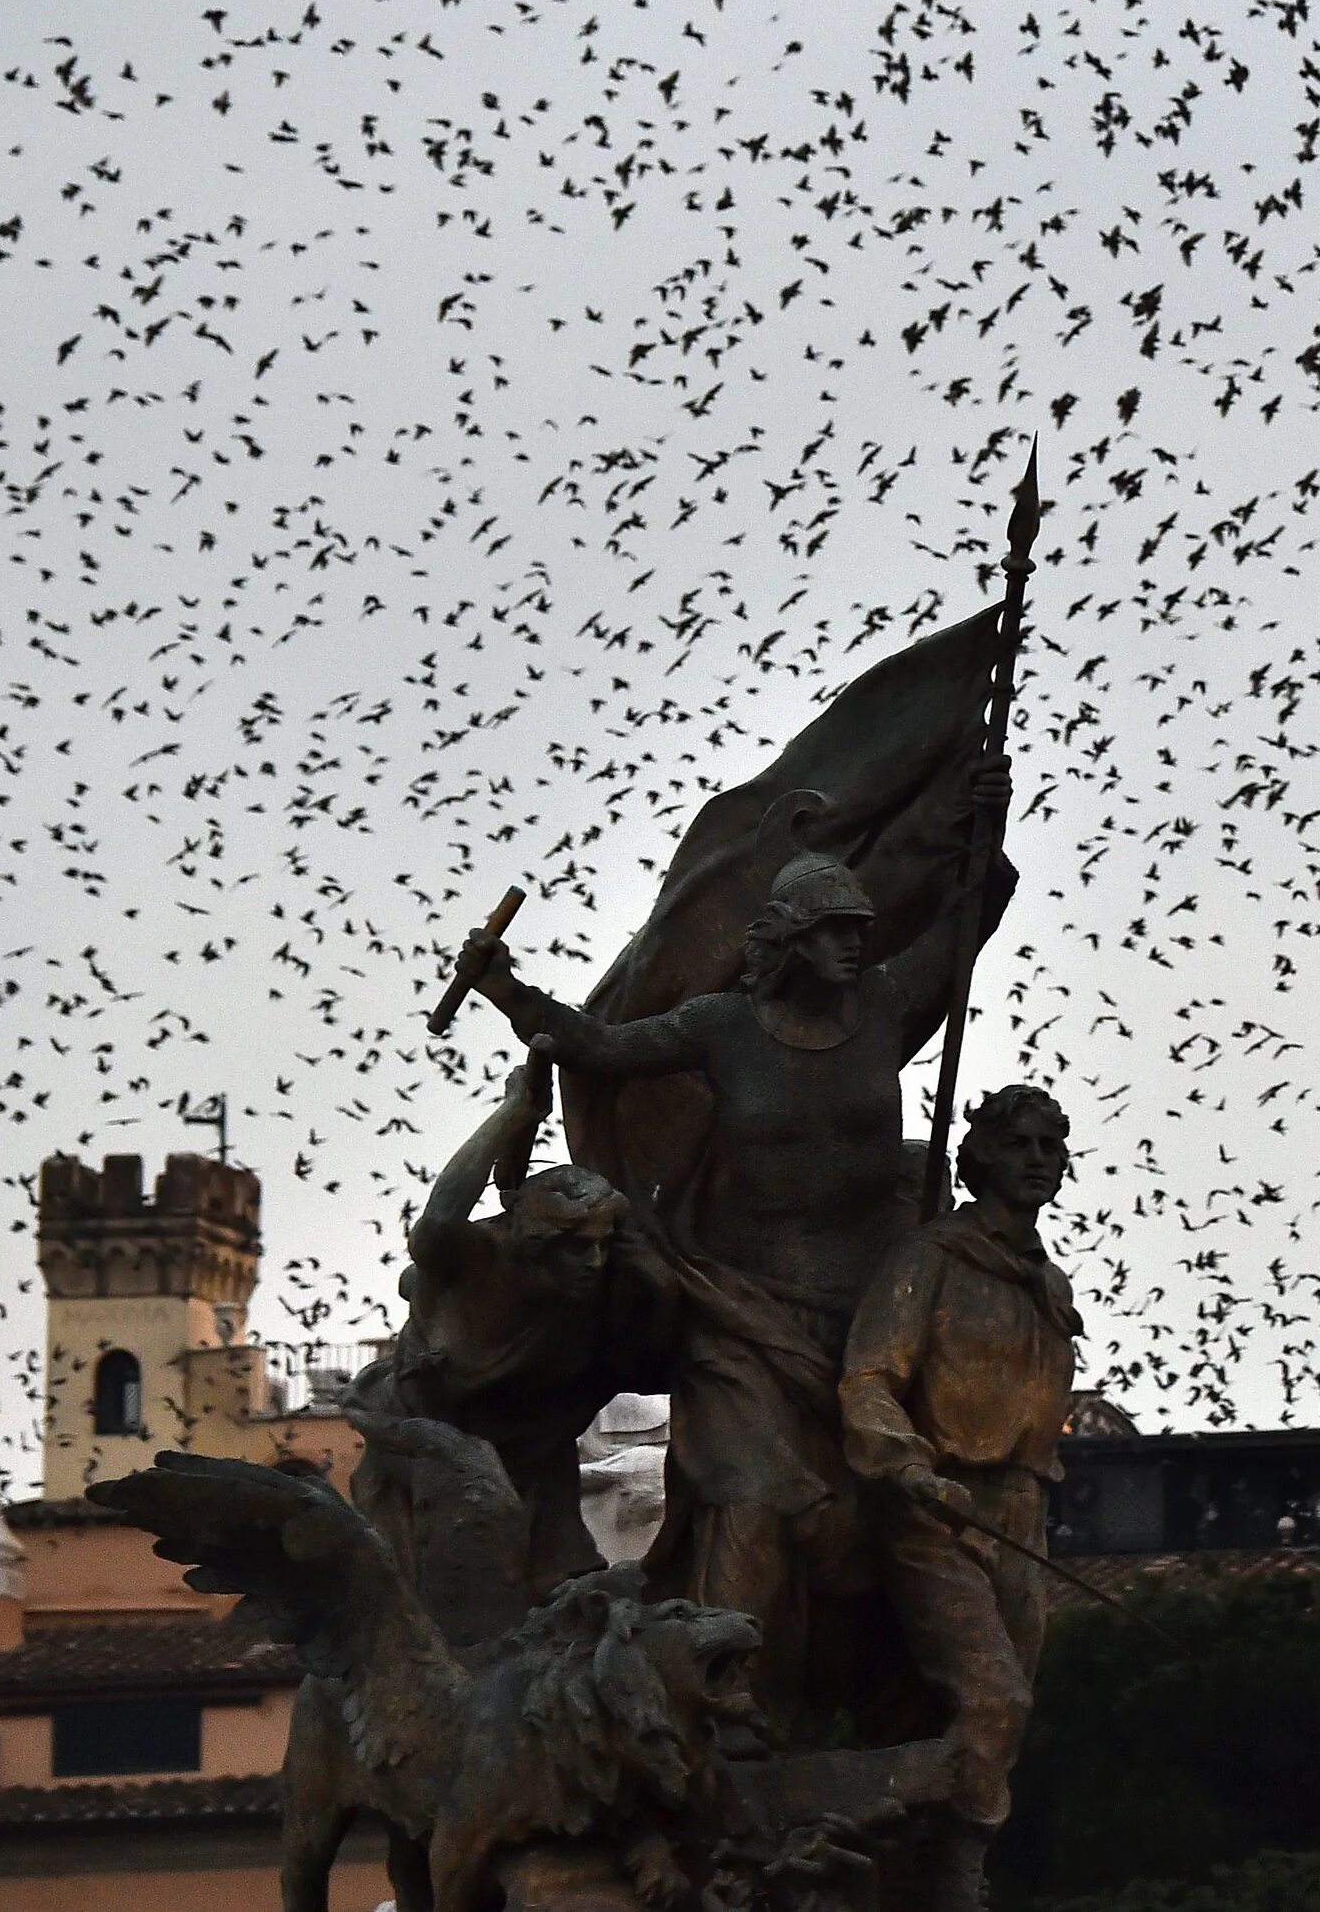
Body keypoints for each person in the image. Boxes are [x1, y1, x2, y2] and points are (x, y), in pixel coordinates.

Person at [452, 759, 1014, 1711]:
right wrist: (507, 989)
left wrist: (986, 826)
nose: (853, 944)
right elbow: (600, 1048)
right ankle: (728, 1701)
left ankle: (945, 1703)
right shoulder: (724, 1026)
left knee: (918, 1510)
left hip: (872, 1320)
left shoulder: (886, 1005)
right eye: (834, 931)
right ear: (789, 940)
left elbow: (969, 926)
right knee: (751, 1497)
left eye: (859, 931)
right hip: (741, 1310)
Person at [841, 1084, 1080, 1910]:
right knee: (995, 1697)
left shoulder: (1051, 1286)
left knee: (970, 1717)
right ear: (979, 1158)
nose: (1037, 1160)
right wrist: (903, 1462)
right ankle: (955, 1872)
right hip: (937, 1508)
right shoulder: (929, 1258)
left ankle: (893, 1857)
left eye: (1051, 1145)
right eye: (1019, 1144)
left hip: (1024, 1516)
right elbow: (870, 1375)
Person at [350, 1057, 671, 1636]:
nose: (593, 1263)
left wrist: (661, 1284)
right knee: (433, 1619)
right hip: (424, 1454)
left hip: (534, 1465)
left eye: (602, 1247)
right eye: (576, 1249)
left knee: (558, 1610)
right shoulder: (473, 1260)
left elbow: (659, 1367)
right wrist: (515, 1113)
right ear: (535, 1244)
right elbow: (440, 1215)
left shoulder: (596, 1303)